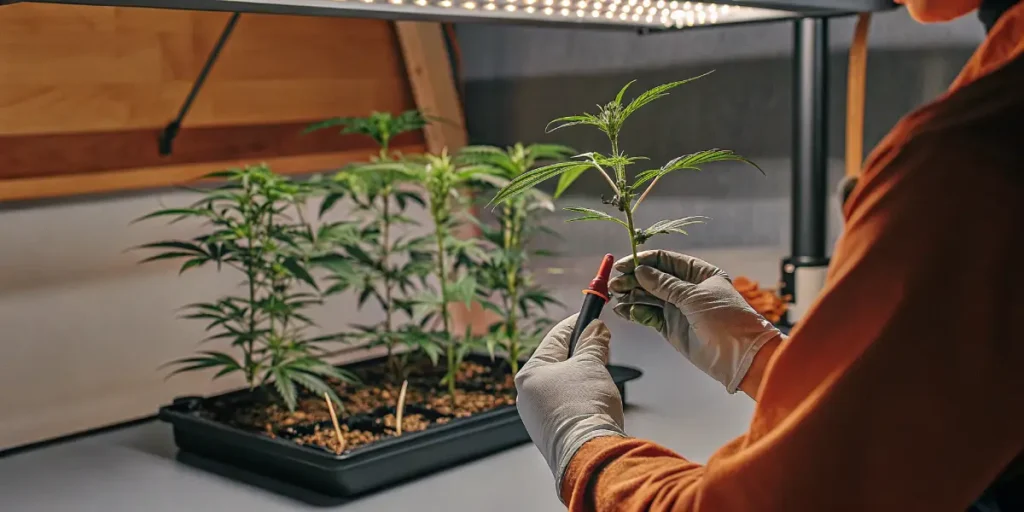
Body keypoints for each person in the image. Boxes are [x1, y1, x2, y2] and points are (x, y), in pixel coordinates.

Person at [513, 0, 1024, 509]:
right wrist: (761, 358)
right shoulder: (993, 108)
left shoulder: (971, 155)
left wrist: (581, 441)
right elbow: (934, 420)